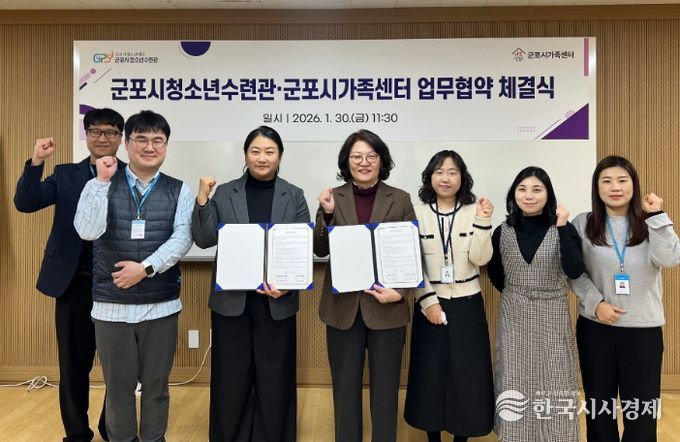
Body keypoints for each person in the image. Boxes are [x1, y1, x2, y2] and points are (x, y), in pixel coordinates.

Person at [74, 110, 193, 442]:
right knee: (118, 389)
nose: (149, 147)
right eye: (141, 139)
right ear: (126, 144)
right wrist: (101, 183)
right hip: (111, 306)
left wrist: (145, 269)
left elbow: (183, 237)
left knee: (156, 386)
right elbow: (86, 231)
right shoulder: (99, 184)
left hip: (160, 306)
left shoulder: (179, 190)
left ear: (166, 145)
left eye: (158, 140)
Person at [14, 107, 125, 442]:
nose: (103, 138)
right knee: (73, 365)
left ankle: (112, 427)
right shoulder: (65, 175)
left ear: (120, 138)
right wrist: (37, 161)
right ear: (86, 135)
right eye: (96, 131)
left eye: (110, 132)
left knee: (119, 366)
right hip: (74, 282)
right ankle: (76, 433)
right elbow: (26, 202)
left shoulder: (132, 176)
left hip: (118, 284)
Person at [192, 126, 310, 442]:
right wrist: (202, 199)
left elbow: (301, 247)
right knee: (231, 378)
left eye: (269, 151)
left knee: (275, 378)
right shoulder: (224, 193)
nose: (262, 158)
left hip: (277, 301)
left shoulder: (294, 195)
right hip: (232, 302)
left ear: (280, 156)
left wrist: (289, 285)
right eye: (255, 151)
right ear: (245, 155)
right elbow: (204, 239)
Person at [313, 129, 416, 442]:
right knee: (345, 391)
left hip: (387, 308)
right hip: (343, 310)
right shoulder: (333, 197)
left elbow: (410, 252)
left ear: (382, 160)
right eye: (357, 156)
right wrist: (327, 214)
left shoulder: (400, 199)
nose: (364, 162)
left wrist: (401, 293)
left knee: (385, 392)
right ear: (347, 161)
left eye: (371, 156)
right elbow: (320, 249)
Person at [570, 155, 680, 441]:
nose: (615, 187)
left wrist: (657, 216)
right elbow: (574, 272)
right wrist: (596, 304)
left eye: (622, 180)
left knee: (642, 414)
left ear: (634, 184)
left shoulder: (650, 222)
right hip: (596, 328)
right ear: (597, 188)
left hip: (643, 330)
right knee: (599, 410)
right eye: (606, 181)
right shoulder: (583, 223)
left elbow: (670, 259)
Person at [487, 166, 584, 441]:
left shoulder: (563, 228)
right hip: (514, 313)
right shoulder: (502, 231)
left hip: (553, 312)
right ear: (513, 194)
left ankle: (559, 436)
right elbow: (496, 273)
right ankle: (514, 436)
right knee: (513, 376)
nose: (528, 196)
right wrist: (519, 294)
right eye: (522, 189)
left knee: (556, 377)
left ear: (548, 195)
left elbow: (575, 269)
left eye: (537, 189)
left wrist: (562, 227)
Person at [404, 150, 495, 442]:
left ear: (462, 177)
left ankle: (460, 438)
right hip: (429, 302)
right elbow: (412, 264)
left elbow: (481, 259)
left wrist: (483, 221)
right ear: (430, 177)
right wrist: (428, 302)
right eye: (439, 172)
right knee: (430, 375)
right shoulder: (416, 213)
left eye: (452, 172)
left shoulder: (473, 211)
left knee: (466, 376)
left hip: (468, 304)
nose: (445, 178)